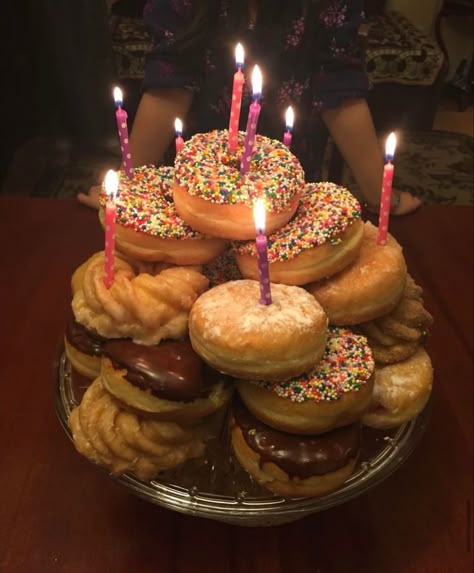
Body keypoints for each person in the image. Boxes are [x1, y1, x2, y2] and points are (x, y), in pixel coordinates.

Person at [78, 0, 421, 214]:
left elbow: (341, 93)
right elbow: (169, 87)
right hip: (199, 191)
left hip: (288, 191)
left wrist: (379, 192)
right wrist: (129, 189)